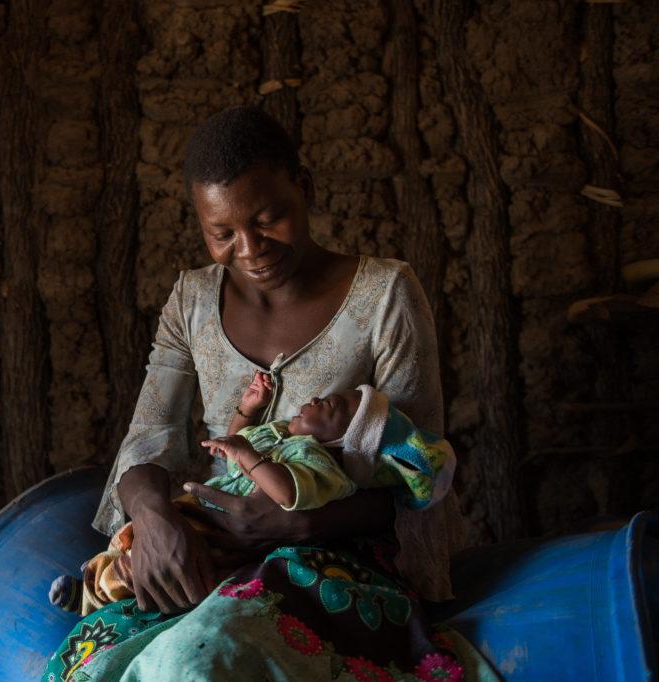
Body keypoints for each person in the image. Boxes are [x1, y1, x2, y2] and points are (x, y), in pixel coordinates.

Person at [42, 107, 488, 682]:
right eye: (222, 233)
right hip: (211, 553)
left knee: (197, 659)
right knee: (84, 667)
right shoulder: (192, 301)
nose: (250, 249)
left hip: (337, 561)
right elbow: (146, 440)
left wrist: (297, 525)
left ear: (305, 189)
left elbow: (417, 473)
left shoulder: (385, 295)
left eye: (269, 219)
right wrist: (154, 521)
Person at [49, 375, 457, 616]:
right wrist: (248, 412)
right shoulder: (281, 438)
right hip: (203, 508)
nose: (314, 399)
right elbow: (237, 444)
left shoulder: (323, 466)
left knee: (144, 568)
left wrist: (250, 458)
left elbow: (288, 495)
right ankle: (101, 568)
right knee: (142, 538)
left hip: (227, 535)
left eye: (329, 406)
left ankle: (91, 592)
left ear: (342, 441)